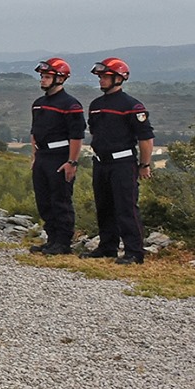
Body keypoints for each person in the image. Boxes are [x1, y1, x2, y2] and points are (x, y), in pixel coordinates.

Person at [84, 57, 153, 265]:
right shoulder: (96, 105)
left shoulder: (132, 106)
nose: (101, 80)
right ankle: (107, 247)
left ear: (119, 78)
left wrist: (145, 165)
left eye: (105, 76)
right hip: (101, 163)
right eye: (101, 77)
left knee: (126, 207)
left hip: (123, 164)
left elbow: (145, 138)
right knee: (104, 206)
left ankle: (134, 252)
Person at [28, 57, 84, 255]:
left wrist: (72, 161)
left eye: (47, 76)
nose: (42, 80)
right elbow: (34, 132)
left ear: (60, 79)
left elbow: (76, 136)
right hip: (42, 156)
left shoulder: (71, 105)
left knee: (60, 200)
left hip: (60, 156)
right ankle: (51, 239)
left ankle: (63, 242)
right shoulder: (38, 104)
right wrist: (35, 156)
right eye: (42, 76)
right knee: (44, 201)